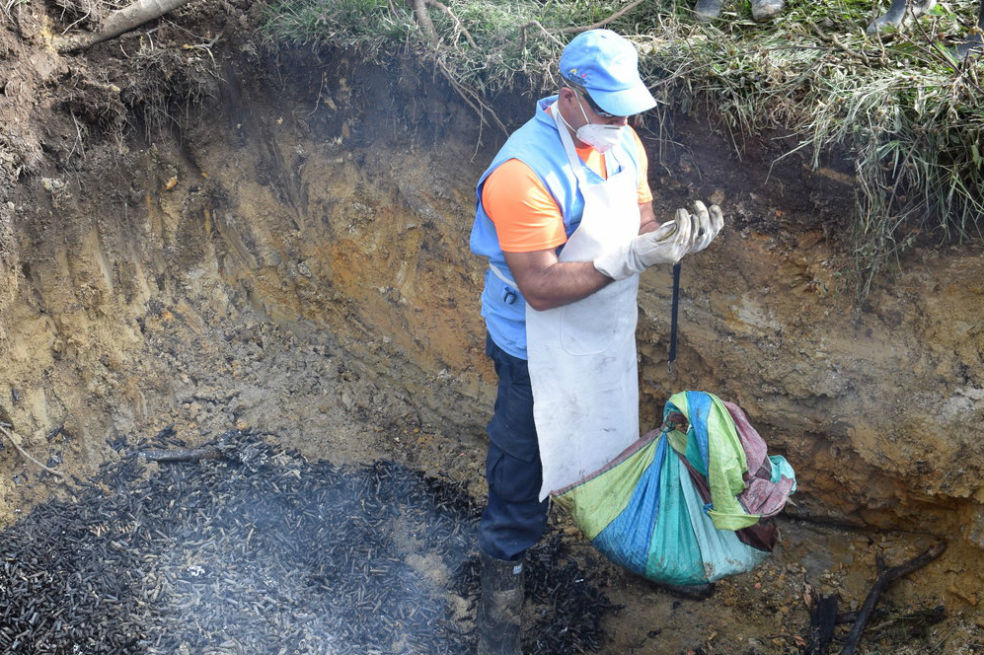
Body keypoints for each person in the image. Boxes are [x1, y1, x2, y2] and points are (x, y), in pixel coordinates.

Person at [468, 28, 724, 655]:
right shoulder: (523, 173)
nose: (621, 118)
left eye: (627, 107)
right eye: (608, 107)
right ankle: (501, 589)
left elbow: (637, 223)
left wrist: (668, 241)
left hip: (604, 327)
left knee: (610, 435)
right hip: (534, 340)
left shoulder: (622, 142)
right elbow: (542, 287)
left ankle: (630, 542)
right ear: (569, 94)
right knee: (523, 457)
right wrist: (629, 259)